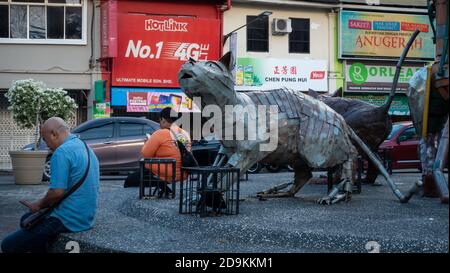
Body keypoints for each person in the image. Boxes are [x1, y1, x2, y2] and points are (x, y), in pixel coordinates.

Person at [1, 117, 100, 253]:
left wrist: (38, 205)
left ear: (54, 134)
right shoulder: (86, 147)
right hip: (86, 217)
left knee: (7, 245)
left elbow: (57, 192)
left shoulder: (61, 152)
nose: (47, 146)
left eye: (46, 140)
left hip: (67, 220)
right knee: (26, 219)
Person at [124, 107, 191, 188]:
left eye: (159, 121)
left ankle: (160, 186)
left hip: (166, 174)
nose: (159, 123)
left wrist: (146, 144)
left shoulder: (160, 133)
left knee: (129, 180)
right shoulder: (185, 133)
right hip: (183, 174)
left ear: (163, 119)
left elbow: (145, 155)